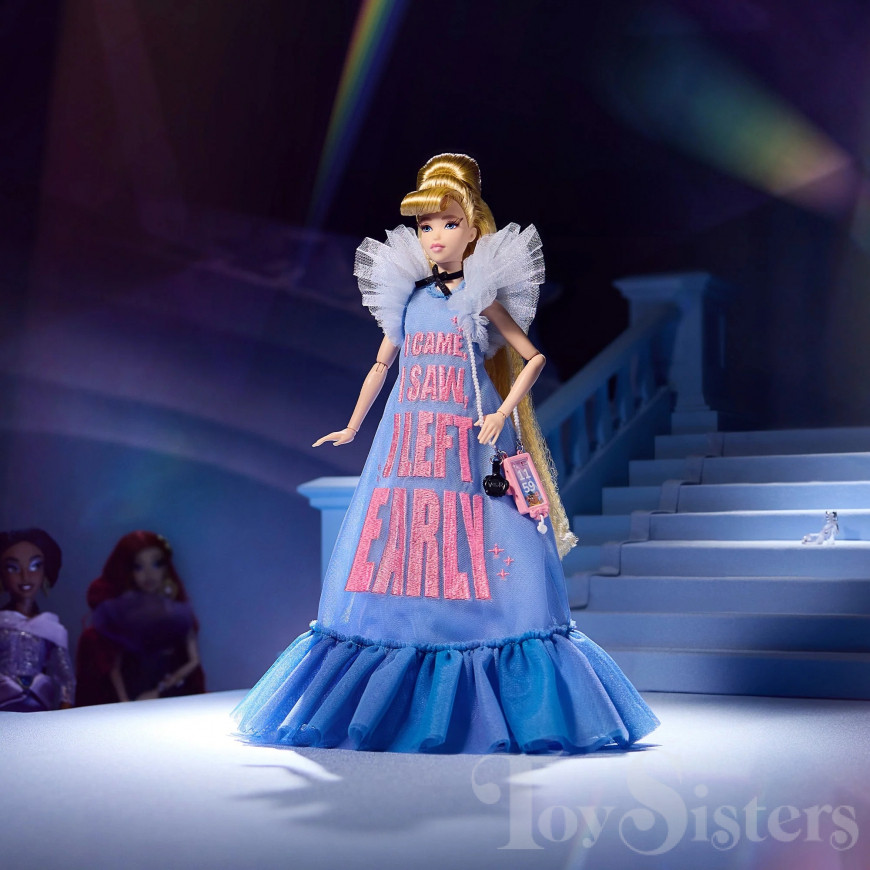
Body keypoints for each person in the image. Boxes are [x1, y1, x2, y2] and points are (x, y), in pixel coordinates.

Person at [234, 153, 659, 753]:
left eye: (449, 223)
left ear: (473, 228)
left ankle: (495, 680)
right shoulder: (407, 296)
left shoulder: (480, 295)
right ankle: (394, 689)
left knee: (481, 544)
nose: (435, 236)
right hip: (408, 442)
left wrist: (501, 413)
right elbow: (382, 363)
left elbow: (532, 356)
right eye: (426, 225)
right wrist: (353, 426)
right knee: (403, 547)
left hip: (468, 438)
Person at [75, 531, 205, 705]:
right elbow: (115, 666)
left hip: (170, 694)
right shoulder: (121, 612)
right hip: (135, 692)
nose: (149, 574)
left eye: (156, 564)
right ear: (129, 571)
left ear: (166, 568)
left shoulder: (177, 611)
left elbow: (193, 660)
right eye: (138, 566)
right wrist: (124, 701)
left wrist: (161, 689)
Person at [0, 528, 75, 711]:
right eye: (13, 568)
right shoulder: (2, 622)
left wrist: (65, 708)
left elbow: (66, 677)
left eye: (35, 566)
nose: (25, 576)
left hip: (39, 703)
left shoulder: (50, 627)